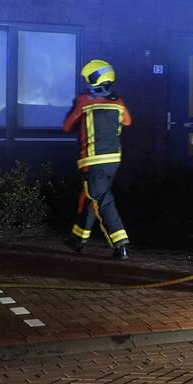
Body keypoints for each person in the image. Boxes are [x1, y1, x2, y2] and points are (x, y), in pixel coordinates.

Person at [63, 59, 132, 260]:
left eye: (88, 79)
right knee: (90, 196)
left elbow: (67, 126)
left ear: (96, 80)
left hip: (92, 161)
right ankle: (78, 238)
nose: (86, 83)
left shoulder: (84, 102)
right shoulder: (118, 102)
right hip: (113, 160)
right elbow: (127, 121)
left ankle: (120, 244)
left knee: (101, 200)